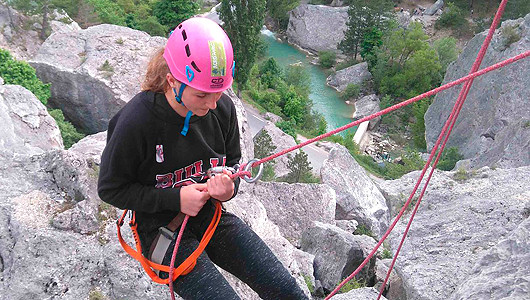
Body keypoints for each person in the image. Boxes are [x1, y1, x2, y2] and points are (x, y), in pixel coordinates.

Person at [98, 17, 308, 300]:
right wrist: (176, 199)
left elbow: (232, 162)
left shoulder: (221, 108)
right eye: (202, 95)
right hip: (161, 229)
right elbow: (111, 189)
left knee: (287, 291)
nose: (211, 105)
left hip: (210, 216)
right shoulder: (137, 122)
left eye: (218, 93)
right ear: (172, 81)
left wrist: (228, 188)